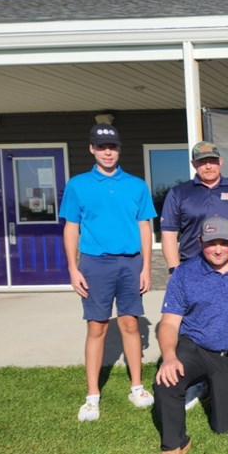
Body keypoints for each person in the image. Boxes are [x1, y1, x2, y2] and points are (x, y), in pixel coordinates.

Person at [151, 217, 228, 454]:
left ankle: (209, 390)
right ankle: (174, 444)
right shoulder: (184, 273)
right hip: (196, 347)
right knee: (165, 380)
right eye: (211, 242)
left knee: (223, 425)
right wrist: (169, 357)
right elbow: (169, 323)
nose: (217, 249)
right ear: (200, 241)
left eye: (224, 243)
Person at [61, 123, 157, 422]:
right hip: (95, 264)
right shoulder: (78, 185)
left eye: (112, 147)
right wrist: (73, 267)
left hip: (130, 264)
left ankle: (137, 387)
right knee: (97, 327)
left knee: (130, 323)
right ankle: (92, 396)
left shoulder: (136, 185)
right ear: (91, 149)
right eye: (101, 147)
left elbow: (145, 226)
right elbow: (71, 227)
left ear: (118, 149)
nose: (107, 152)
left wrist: (145, 267)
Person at [160, 140, 228, 409]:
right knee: (196, 328)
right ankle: (196, 377)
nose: (207, 165)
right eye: (201, 161)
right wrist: (175, 269)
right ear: (194, 164)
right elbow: (169, 232)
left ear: (220, 162)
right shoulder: (180, 193)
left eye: (212, 160)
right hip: (196, 271)